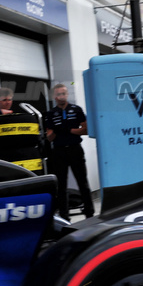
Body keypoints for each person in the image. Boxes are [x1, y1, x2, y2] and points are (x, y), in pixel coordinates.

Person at [45, 84, 94, 219]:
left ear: (67, 95)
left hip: (75, 149)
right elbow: (49, 137)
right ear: (55, 97)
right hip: (59, 151)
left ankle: (90, 212)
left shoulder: (76, 110)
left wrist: (70, 130)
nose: (61, 97)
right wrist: (54, 131)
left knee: (82, 181)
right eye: (59, 94)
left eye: (63, 94)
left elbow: (86, 129)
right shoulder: (51, 114)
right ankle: (64, 215)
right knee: (61, 185)